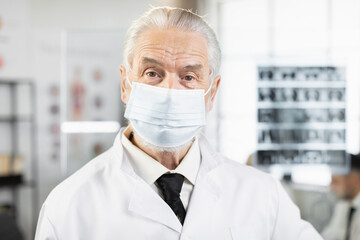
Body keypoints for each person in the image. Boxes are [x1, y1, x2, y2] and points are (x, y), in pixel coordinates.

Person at [35, 7, 323, 239]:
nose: (170, 92)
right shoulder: (69, 205)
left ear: (212, 92)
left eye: (188, 77)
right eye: (152, 73)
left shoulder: (262, 195)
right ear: (125, 83)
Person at [322, 154, 360, 240]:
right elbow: (328, 235)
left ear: (353, 180)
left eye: (335, 181)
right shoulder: (342, 205)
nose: (331, 187)